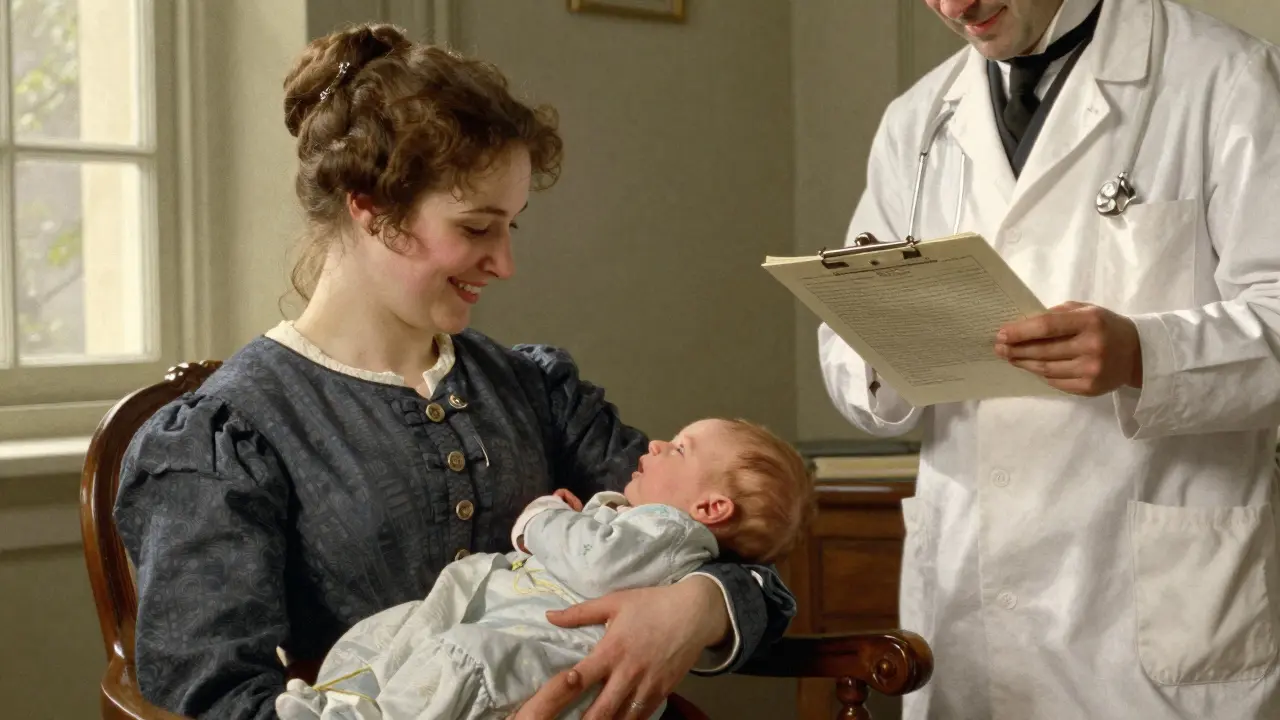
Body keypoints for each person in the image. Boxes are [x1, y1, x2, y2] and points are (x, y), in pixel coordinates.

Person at [115, 23, 796, 720]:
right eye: (476, 227)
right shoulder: (231, 435)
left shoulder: (534, 391)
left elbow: (726, 533)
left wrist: (696, 606)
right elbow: (209, 700)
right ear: (370, 205)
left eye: (511, 227)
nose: (505, 264)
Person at [818, 0, 1280, 718]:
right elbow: (850, 340)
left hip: (1148, 618)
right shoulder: (919, 118)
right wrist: (883, 352)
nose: (956, 7)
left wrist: (1144, 354)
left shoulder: (1226, 77)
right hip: (969, 612)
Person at [274, 418, 814, 720]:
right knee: (393, 637)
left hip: (540, 657)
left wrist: (542, 518)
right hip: (497, 630)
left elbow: (597, 561)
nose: (654, 443)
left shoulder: (667, 528)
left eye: (678, 448)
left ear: (712, 508)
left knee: (458, 657)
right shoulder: (651, 523)